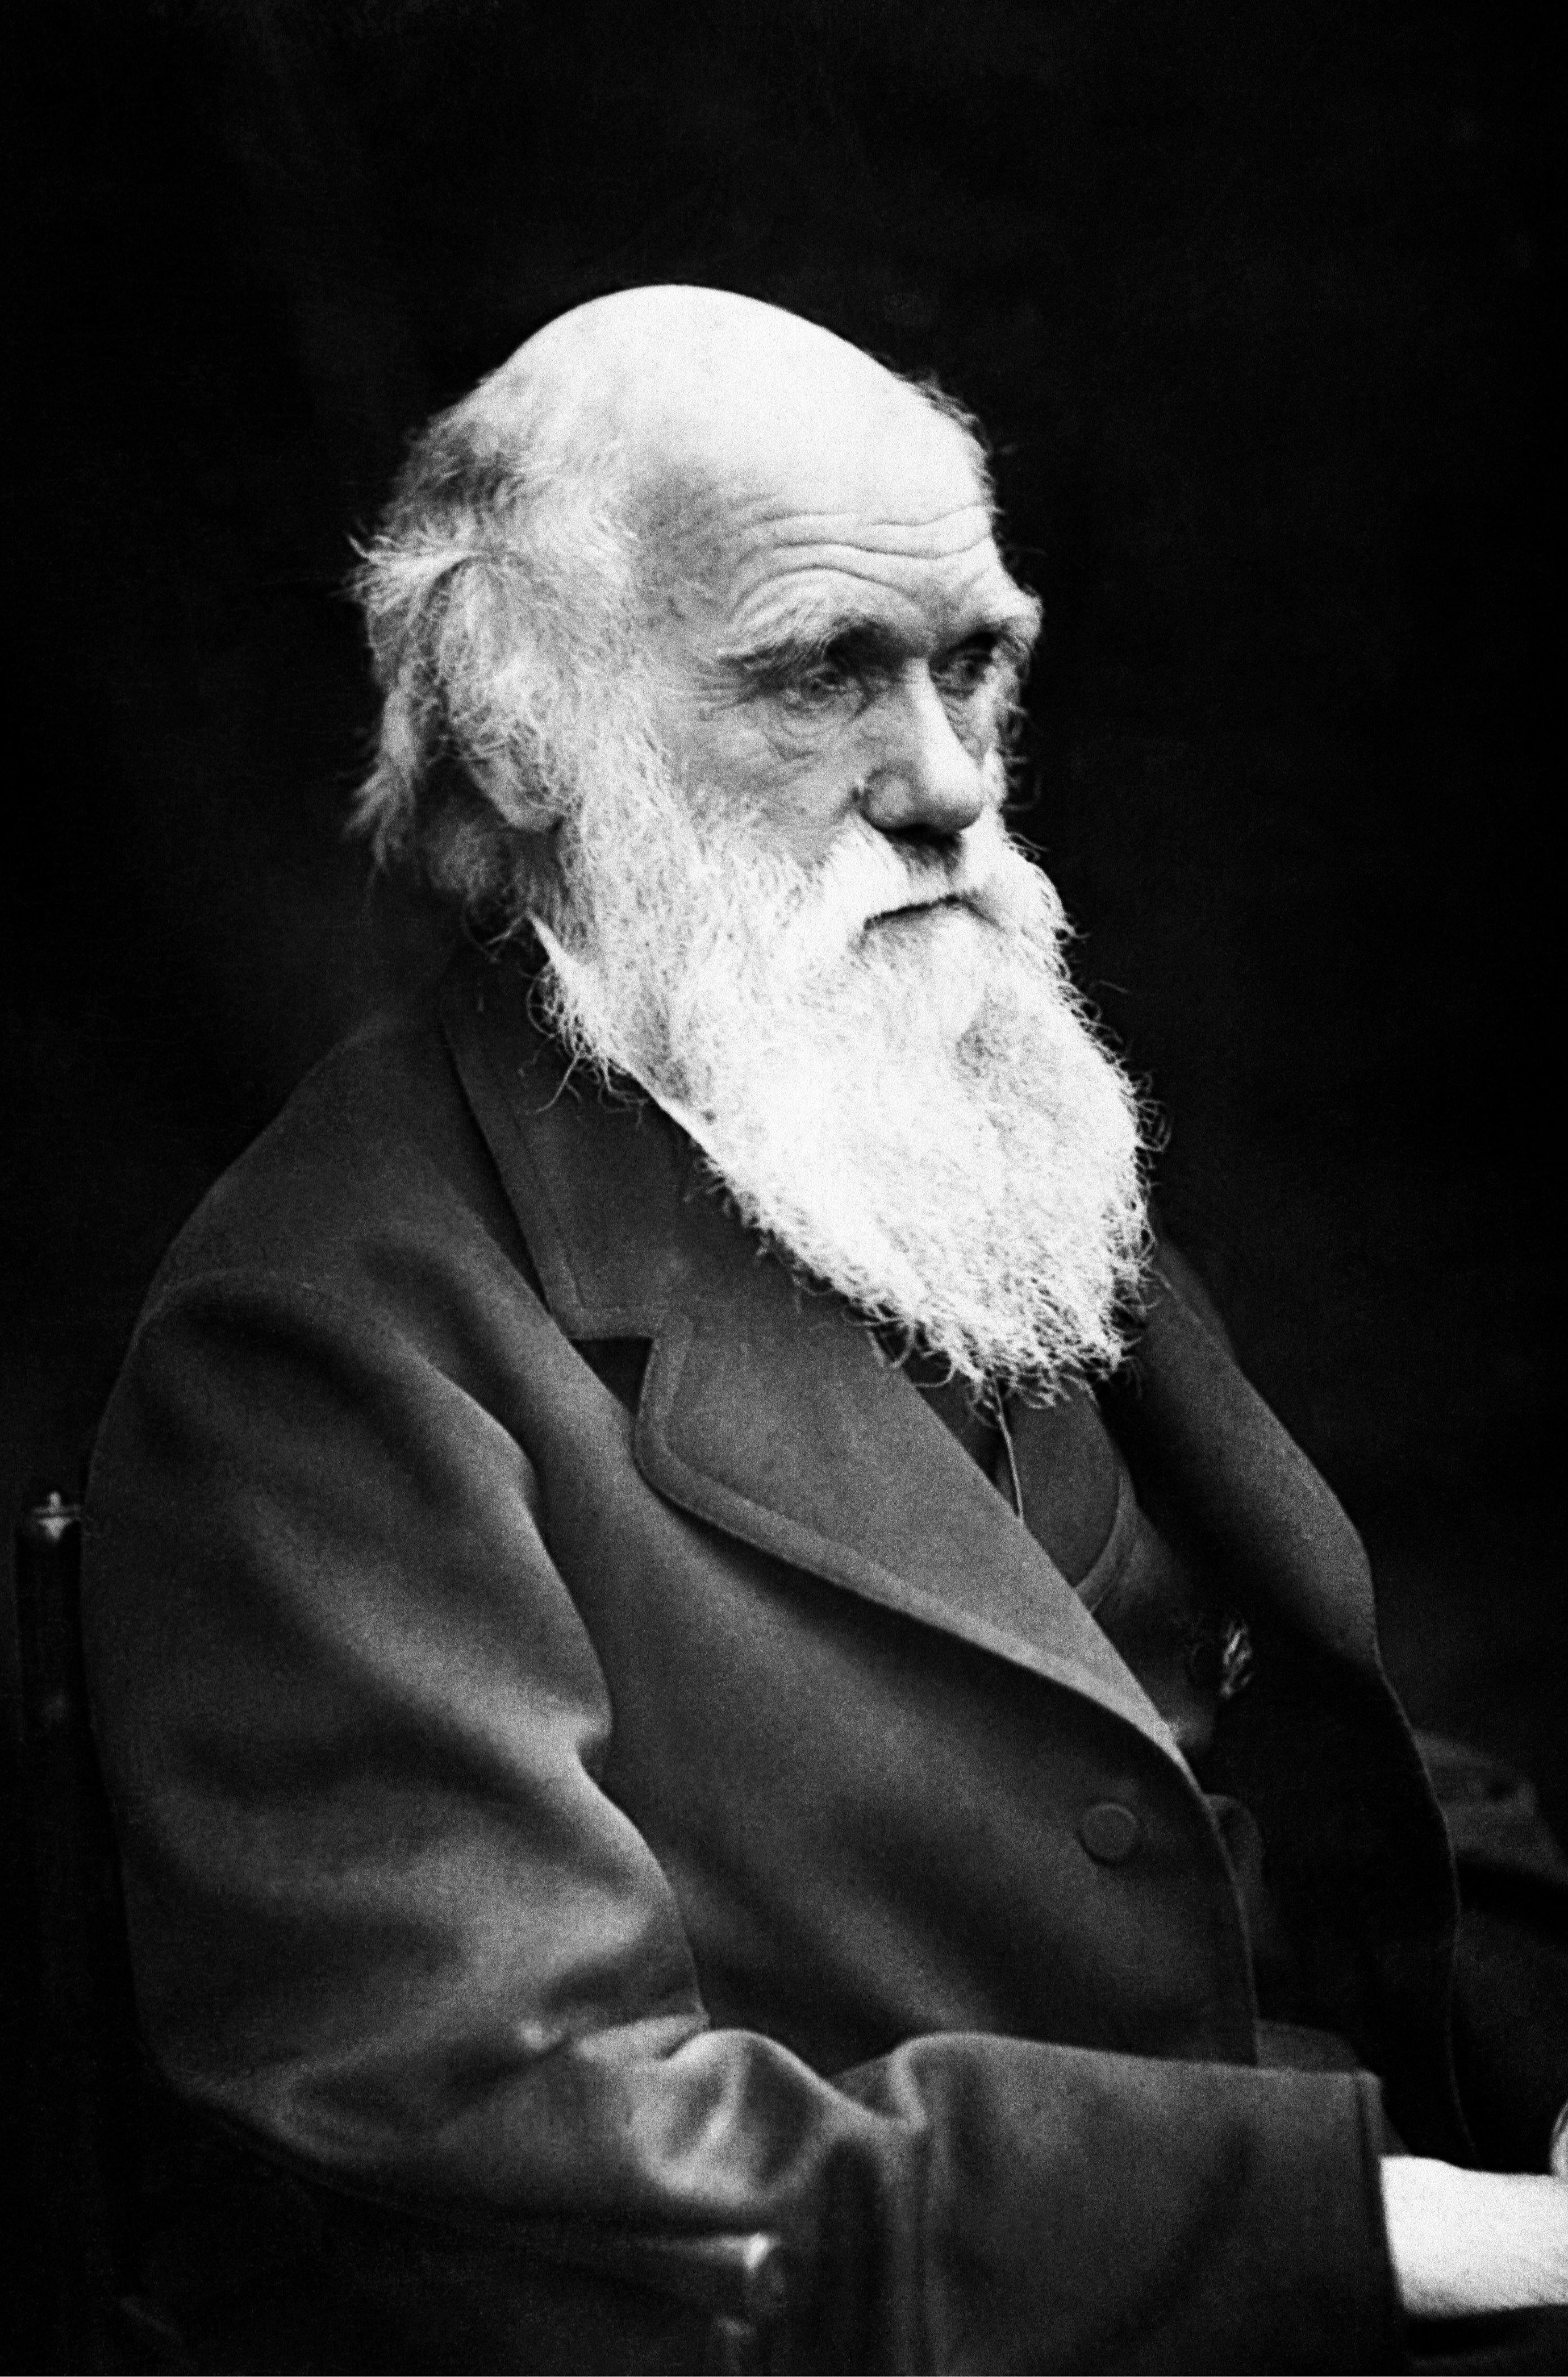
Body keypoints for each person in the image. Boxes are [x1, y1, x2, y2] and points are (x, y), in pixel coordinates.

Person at [83, 285, 1568, 2372]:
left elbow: (1328, 1758)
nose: (946, 780)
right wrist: (1416, 2234)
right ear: (520, 732)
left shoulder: (930, 1115)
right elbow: (499, 2135)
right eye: (818, 676)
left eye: (975, 665)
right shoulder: (317, 1340)